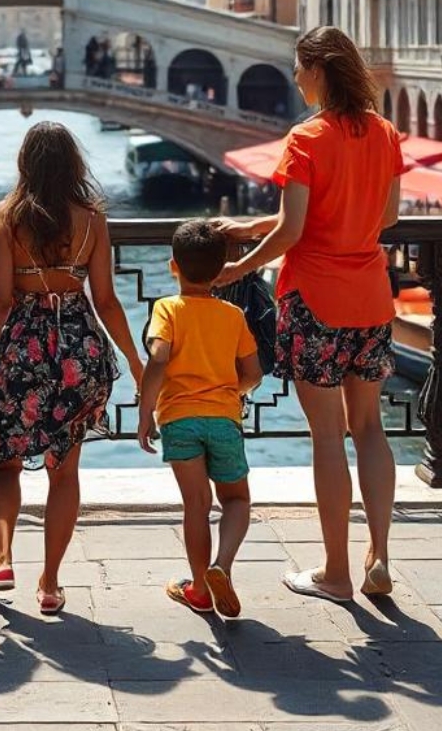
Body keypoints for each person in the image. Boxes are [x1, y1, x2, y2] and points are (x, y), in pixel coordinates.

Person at [215, 26, 403, 603]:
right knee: (370, 429)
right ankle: (380, 556)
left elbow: (294, 230)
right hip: (371, 299)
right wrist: (255, 226)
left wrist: (235, 267)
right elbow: (388, 218)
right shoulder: (384, 132)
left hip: (316, 302)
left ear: (319, 70)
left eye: (299, 67)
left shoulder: (305, 138)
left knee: (328, 437)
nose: (295, 77)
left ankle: (335, 573)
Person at [0, 122, 144, 614]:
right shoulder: (92, 219)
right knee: (65, 474)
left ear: (26, 164)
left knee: (4, 464)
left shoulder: (7, 217)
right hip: (79, 348)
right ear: (73, 164)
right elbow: (104, 299)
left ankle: (1, 558)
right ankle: (50, 583)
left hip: (25, 348)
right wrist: (134, 359)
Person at [137, 220, 262, 617]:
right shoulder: (233, 315)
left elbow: (158, 358)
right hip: (223, 418)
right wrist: (233, 394)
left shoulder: (167, 309)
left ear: (174, 266)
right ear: (223, 266)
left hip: (179, 419)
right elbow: (254, 374)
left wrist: (145, 410)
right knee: (237, 499)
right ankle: (221, 566)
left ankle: (199, 591)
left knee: (196, 504)